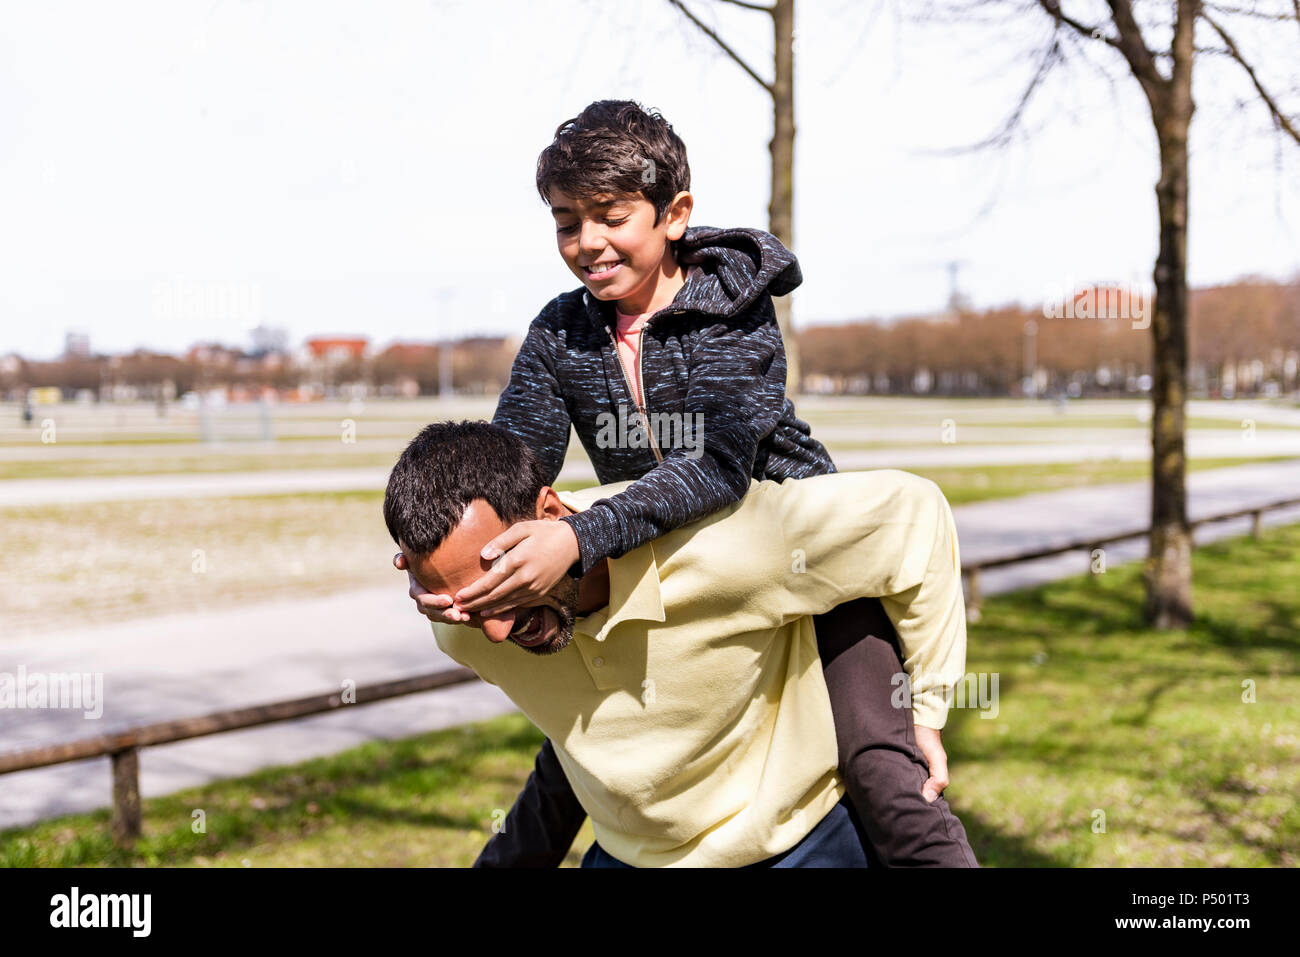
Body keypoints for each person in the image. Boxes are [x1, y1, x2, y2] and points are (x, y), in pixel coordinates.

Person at [396, 99, 977, 866]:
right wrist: (444, 539)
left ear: (675, 214)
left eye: (610, 216)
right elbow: (515, 467)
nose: (588, 243)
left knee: (882, 772)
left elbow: (718, 465)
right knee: (587, 756)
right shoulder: (558, 333)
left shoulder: (730, 308)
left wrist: (576, 535)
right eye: (568, 223)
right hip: (660, 563)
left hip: (792, 557)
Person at [385, 421, 976, 867]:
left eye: (503, 585)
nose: (493, 632)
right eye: (468, 606)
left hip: (796, 844)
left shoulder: (735, 545)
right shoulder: (457, 628)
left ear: (549, 512)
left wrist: (927, 706)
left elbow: (914, 518)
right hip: (630, 855)